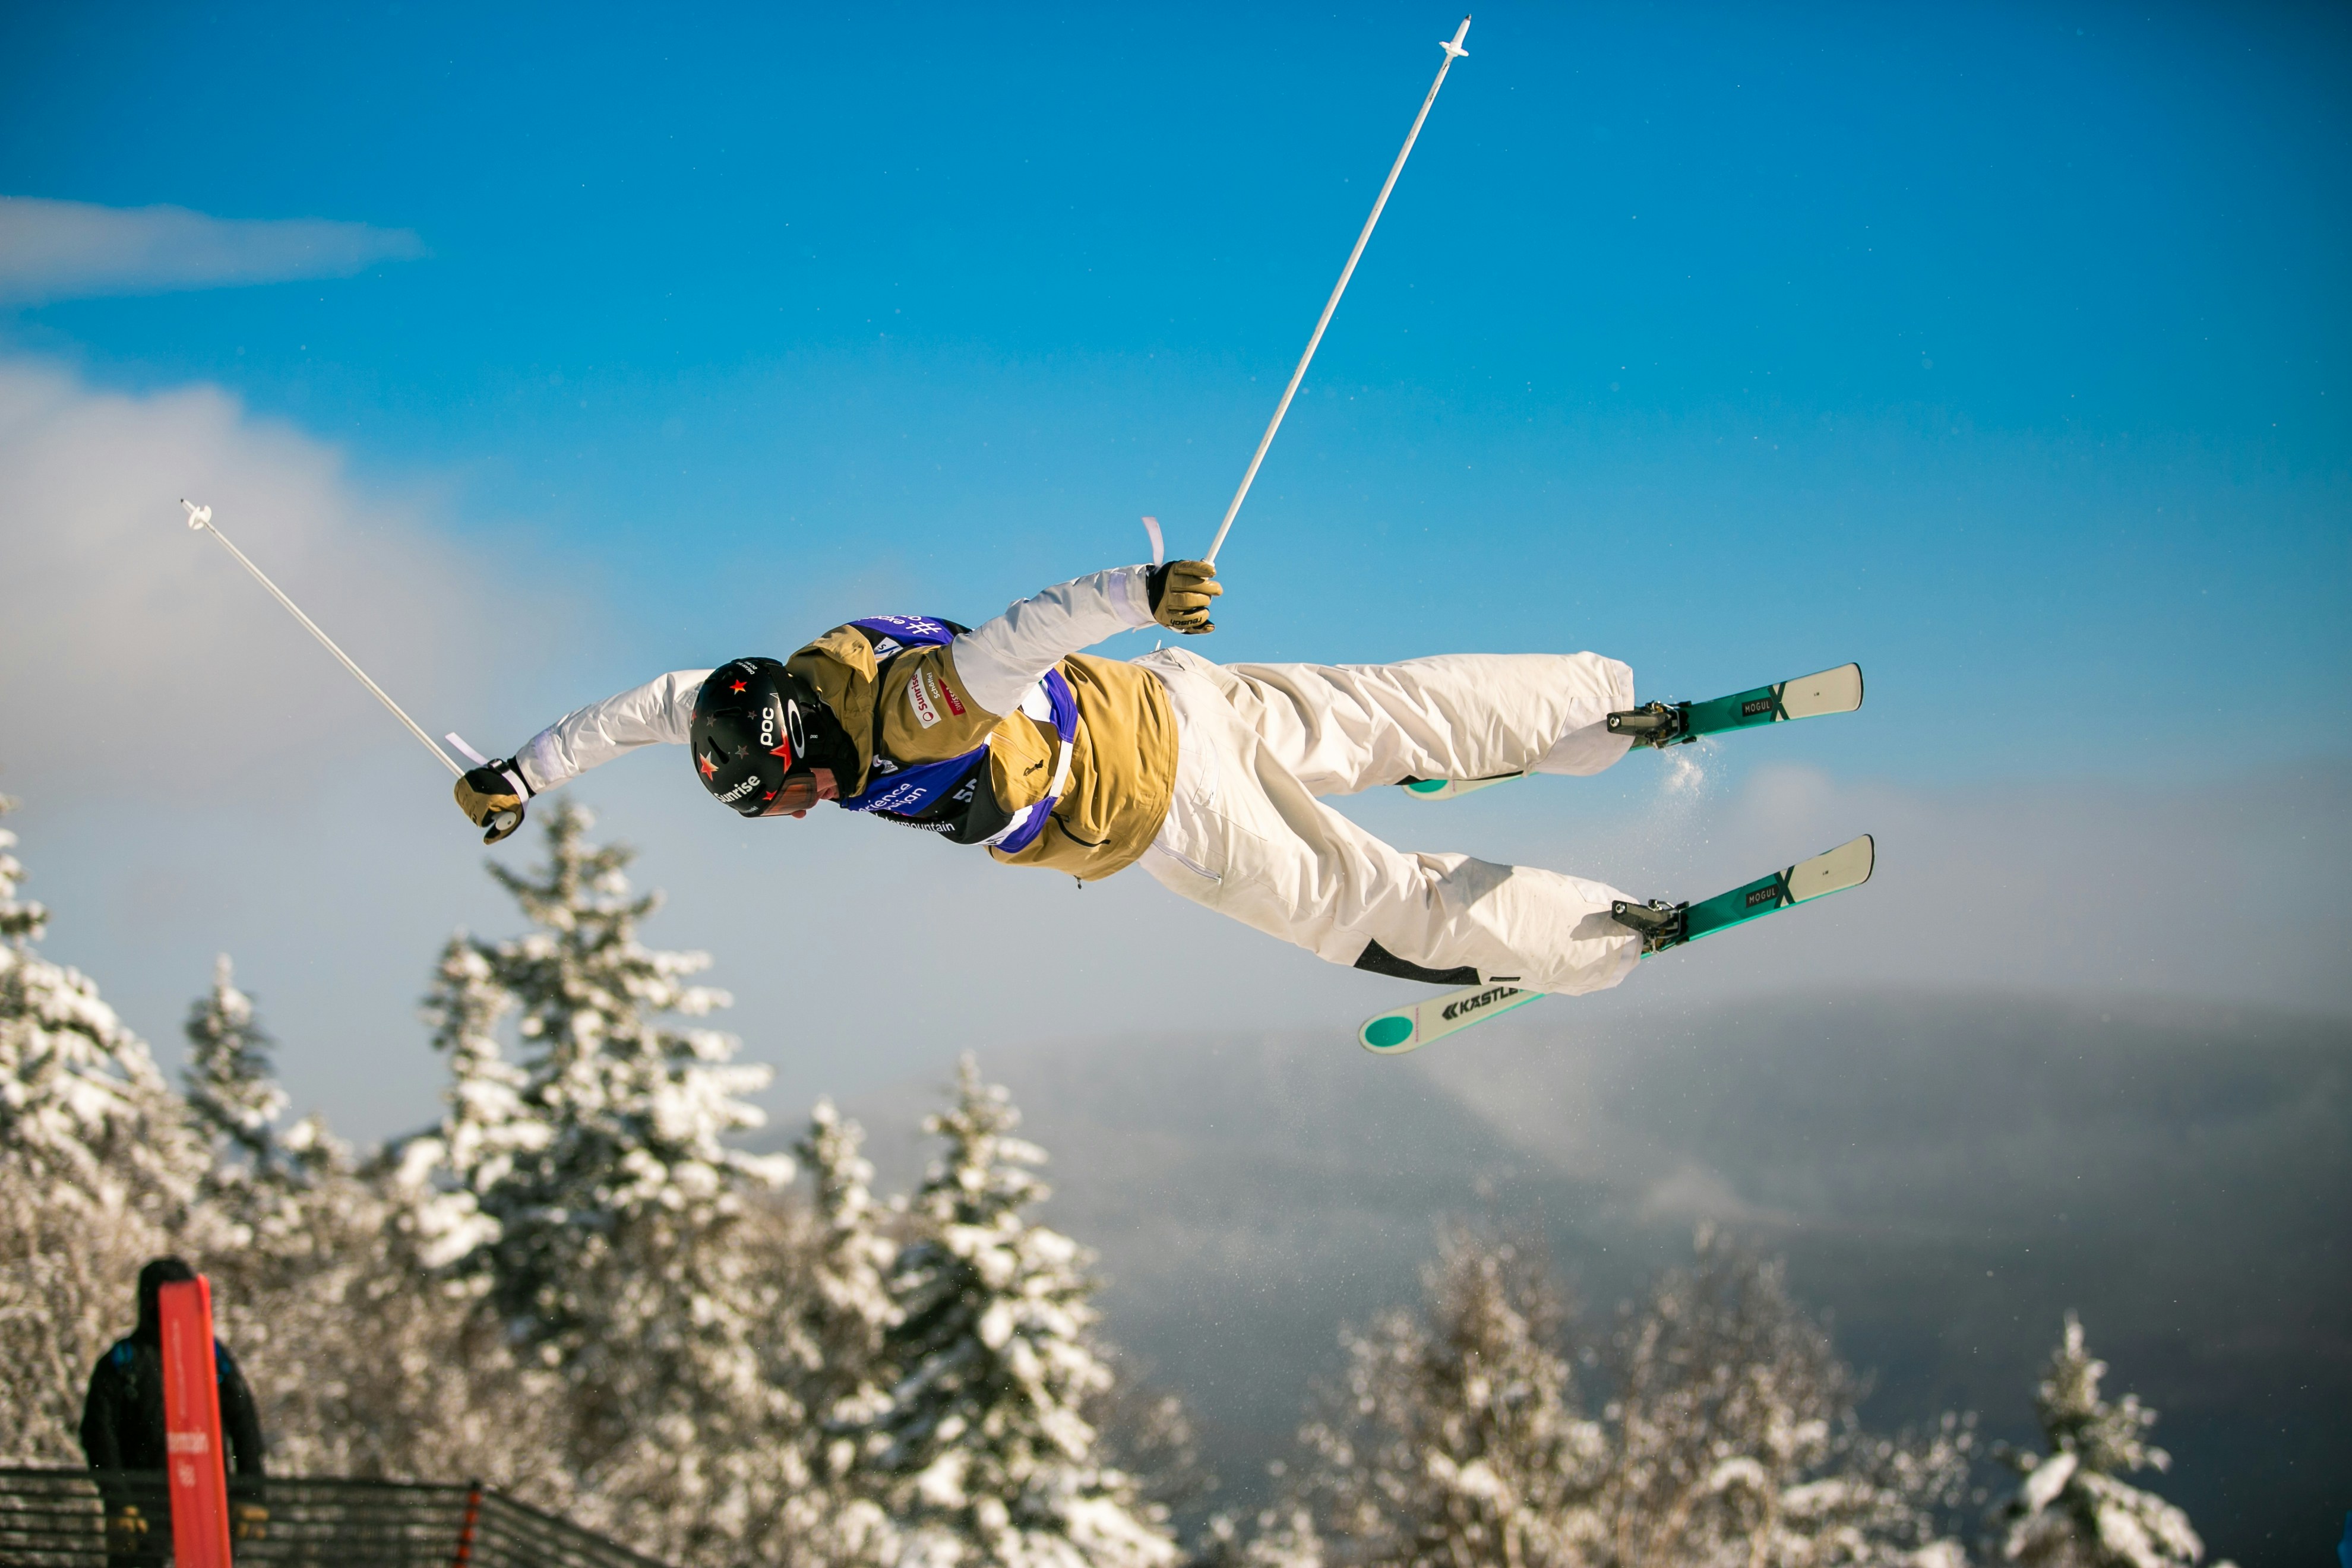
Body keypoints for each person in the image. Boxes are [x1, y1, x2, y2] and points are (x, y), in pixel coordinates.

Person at [454, 559, 1683, 996]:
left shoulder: (908, 718)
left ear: (799, 750)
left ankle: (1591, 937)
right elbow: (640, 713)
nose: (799, 812)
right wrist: (519, 772)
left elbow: (1012, 640)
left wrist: (1130, 595)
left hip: (1171, 811)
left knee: (1368, 909)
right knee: (1390, 710)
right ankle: (1592, 702)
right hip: (1176, 703)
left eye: (787, 796)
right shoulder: (777, 690)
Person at [80, 1258, 268, 1558]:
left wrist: (250, 1493)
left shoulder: (212, 1355)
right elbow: (98, 1435)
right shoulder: (124, 1360)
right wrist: (119, 1504)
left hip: (204, 1510)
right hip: (143, 1513)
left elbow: (244, 1420)